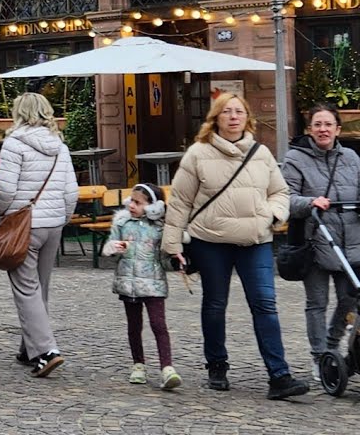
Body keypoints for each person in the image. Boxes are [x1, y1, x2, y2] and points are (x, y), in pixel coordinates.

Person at [162, 92, 309, 399]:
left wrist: (272, 215)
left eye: (238, 111)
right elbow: (180, 202)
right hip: (210, 241)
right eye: (226, 112)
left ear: (247, 117)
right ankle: (217, 365)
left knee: (265, 305)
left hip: (254, 240)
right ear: (215, 118)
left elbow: (280, 192)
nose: (233, 116)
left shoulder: (261, 153)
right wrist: (172, 244)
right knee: (215, 306)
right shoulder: (198, 153)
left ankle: (279, 376)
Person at [0, 92, 78, 378]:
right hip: (53, 223)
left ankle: (45, 351)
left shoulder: (14, 144)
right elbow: (71, 191)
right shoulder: (59, 145)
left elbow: (4, 190)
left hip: (24, 223)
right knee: (40, 287)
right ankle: (29, 348)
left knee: (26, 289)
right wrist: (62, 217)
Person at [284, 102, 360, 382]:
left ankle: (334, 349)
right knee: (317, 302)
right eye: (318, 124)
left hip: (350, 242)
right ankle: (319, 357)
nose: (323, 129)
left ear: (338, 129)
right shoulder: (295, 158)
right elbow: (287, 198)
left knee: (349, 300)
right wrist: (309, 202)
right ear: (309, 129)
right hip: (314, 241)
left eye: (328, 124)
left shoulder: (351, 157)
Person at [101, 183, 181, 390]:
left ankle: (167, 367)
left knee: (158, 324)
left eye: (138, 202)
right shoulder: (122, 222)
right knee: (134, 326)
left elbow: (164, 259)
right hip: (128, 283)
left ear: (153, 206)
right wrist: (113, 249)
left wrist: (174, 259)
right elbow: (110, 247)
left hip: (153, 284)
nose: (132, 205)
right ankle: (138, 364)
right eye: (131, 200)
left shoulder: (160, 228)